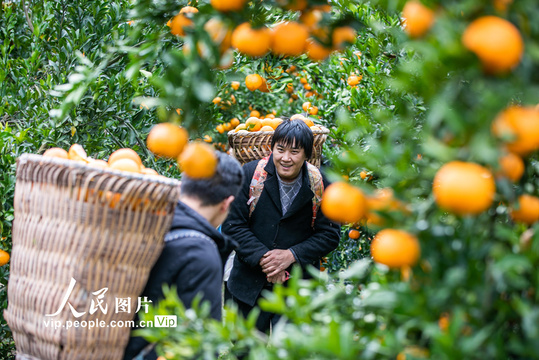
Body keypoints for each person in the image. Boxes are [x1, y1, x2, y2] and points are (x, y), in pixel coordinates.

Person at [222, 118, 340, 333]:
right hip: (248, 285)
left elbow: (330, 234)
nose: (286, 158)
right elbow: (233, 226)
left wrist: (291, 255)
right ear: (272, 149)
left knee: (288, 350)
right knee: (245, 349)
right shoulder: (249, 175)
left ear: (307, 154)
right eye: (281, 149)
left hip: (296, 288)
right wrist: (266, 260)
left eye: (295, 151)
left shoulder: (321, 184)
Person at [123, 151, 244, 360]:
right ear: (227, 203)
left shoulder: (144, 223)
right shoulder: (200, 254)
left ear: (181, 187)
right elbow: (200, 343)